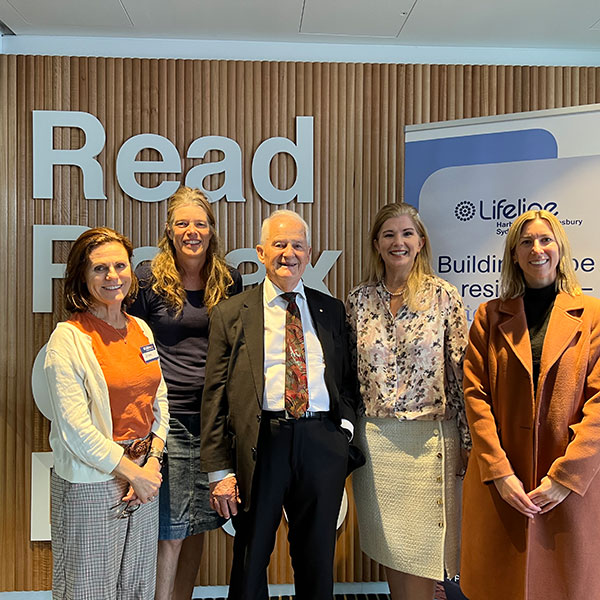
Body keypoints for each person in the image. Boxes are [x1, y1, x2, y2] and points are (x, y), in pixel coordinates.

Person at [200, 209, 362, 600]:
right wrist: (219, 470)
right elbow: (215, 396)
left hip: (322, 442)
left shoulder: (332, 310)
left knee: (317, 557)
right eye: (279, 244)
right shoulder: (231, 313)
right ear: (260, 251)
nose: (288, 253)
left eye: (297, 245)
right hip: (262, 445)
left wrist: (343, 436)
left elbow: (348, 382)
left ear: (309, 254)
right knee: (251, 555)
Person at [461, 209, 600, 600]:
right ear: (514, 255)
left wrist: (565, 478)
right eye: (526, 242)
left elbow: (599, 405)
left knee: (567, 587)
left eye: (545, 240)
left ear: (560, 248)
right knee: (498, 586)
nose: (536, 249)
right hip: (505, 487)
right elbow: (475, 398)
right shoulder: (488, 317)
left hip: (570, 490)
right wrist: (500, 473)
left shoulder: (592, 316)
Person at [346, 203, 470, 600]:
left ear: (420, 242)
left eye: (406, 234)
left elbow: (461, 372)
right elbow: (348, 374)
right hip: (377, 444)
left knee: (424, 556)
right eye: (389, 235)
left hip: (430, 440)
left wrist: (468, 441)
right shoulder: (358, 300)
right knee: (392, 552)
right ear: (377, 245)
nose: (398, 242)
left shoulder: (443, 296)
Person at [128, 186, 242, 600]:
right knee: (170, 532)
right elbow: (132, 346)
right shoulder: (145, 280)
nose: (191, 231)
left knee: (199, 524)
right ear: (169, 230)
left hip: (214, 418)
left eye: (200, 223)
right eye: (183, 224)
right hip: (166, 419)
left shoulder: (228, 280)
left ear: (212, 229)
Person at [44, 227, 169, 600]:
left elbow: (158, 399)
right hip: (94, 482)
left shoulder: (141, 328)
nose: (112, 276)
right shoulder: (68, 339)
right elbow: (76, 430)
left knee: (136, 588)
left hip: (144, 477)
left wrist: (151, 464)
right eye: (100, 269)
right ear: (81, 277)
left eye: (120, 266)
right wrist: (133, 472)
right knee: (88, 591)